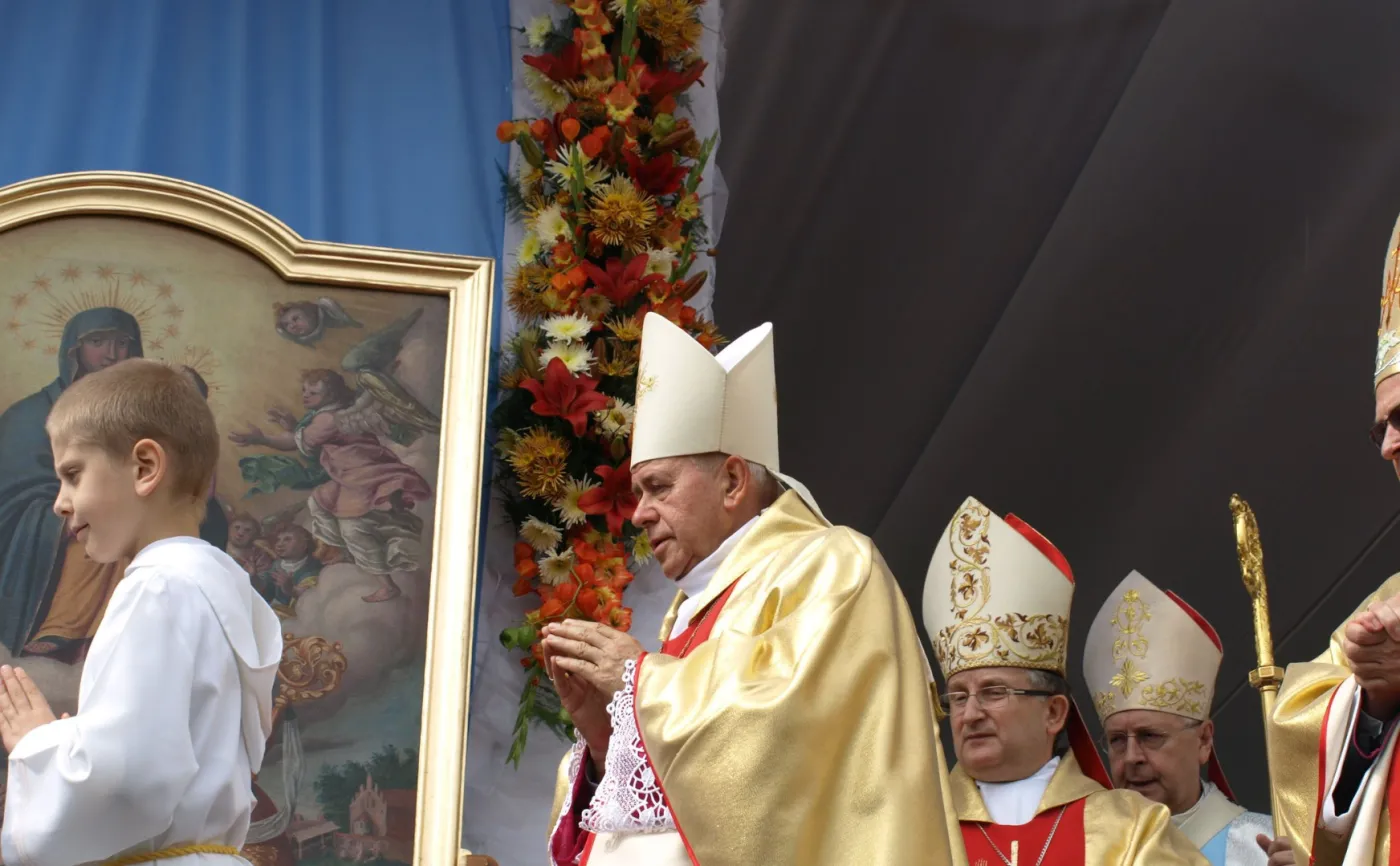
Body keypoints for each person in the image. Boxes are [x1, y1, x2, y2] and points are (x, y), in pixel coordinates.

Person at [540, 313, 965, 865]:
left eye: (658, 487)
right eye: (638, 492)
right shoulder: (695, 605)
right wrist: (607, 741)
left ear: (734, 482)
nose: (640, 514)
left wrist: (638, 683)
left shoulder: (831, 563)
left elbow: (783, 740)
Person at [0, 358, 282, 866]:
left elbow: (129, 783)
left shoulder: (158, 587)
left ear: (145, 468)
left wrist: (39, 744)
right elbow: (176, 755)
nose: (60, 503)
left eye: (72, 474)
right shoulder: (219, 584)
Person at [923, 496, 1207, 864]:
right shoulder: (919, 823)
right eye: (959, 697)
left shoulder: (1132, 828)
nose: (970, 714)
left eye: (993, 692)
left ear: (1054, 713)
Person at [1263, 213, 1400, 866]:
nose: (1389, 446)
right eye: (1381, 429)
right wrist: (1373, 699)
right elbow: (1304, 725)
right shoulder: (1390, 599)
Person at [0, 307, 227, 663]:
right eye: (97, 342)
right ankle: (64, 626)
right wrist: (56, 517)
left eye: (124, 344)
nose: (111, 354)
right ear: (72, 351)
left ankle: (79, 629)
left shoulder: (165, 582)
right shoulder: (28, 416)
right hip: (51, 533)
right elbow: (12, 498)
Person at [1084, 570, 1271, 864]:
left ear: (1204, 741)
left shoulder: (1261, 848)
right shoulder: (1087, 851)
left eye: (1150, 736)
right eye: (1117, 740)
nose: (1132, 757)